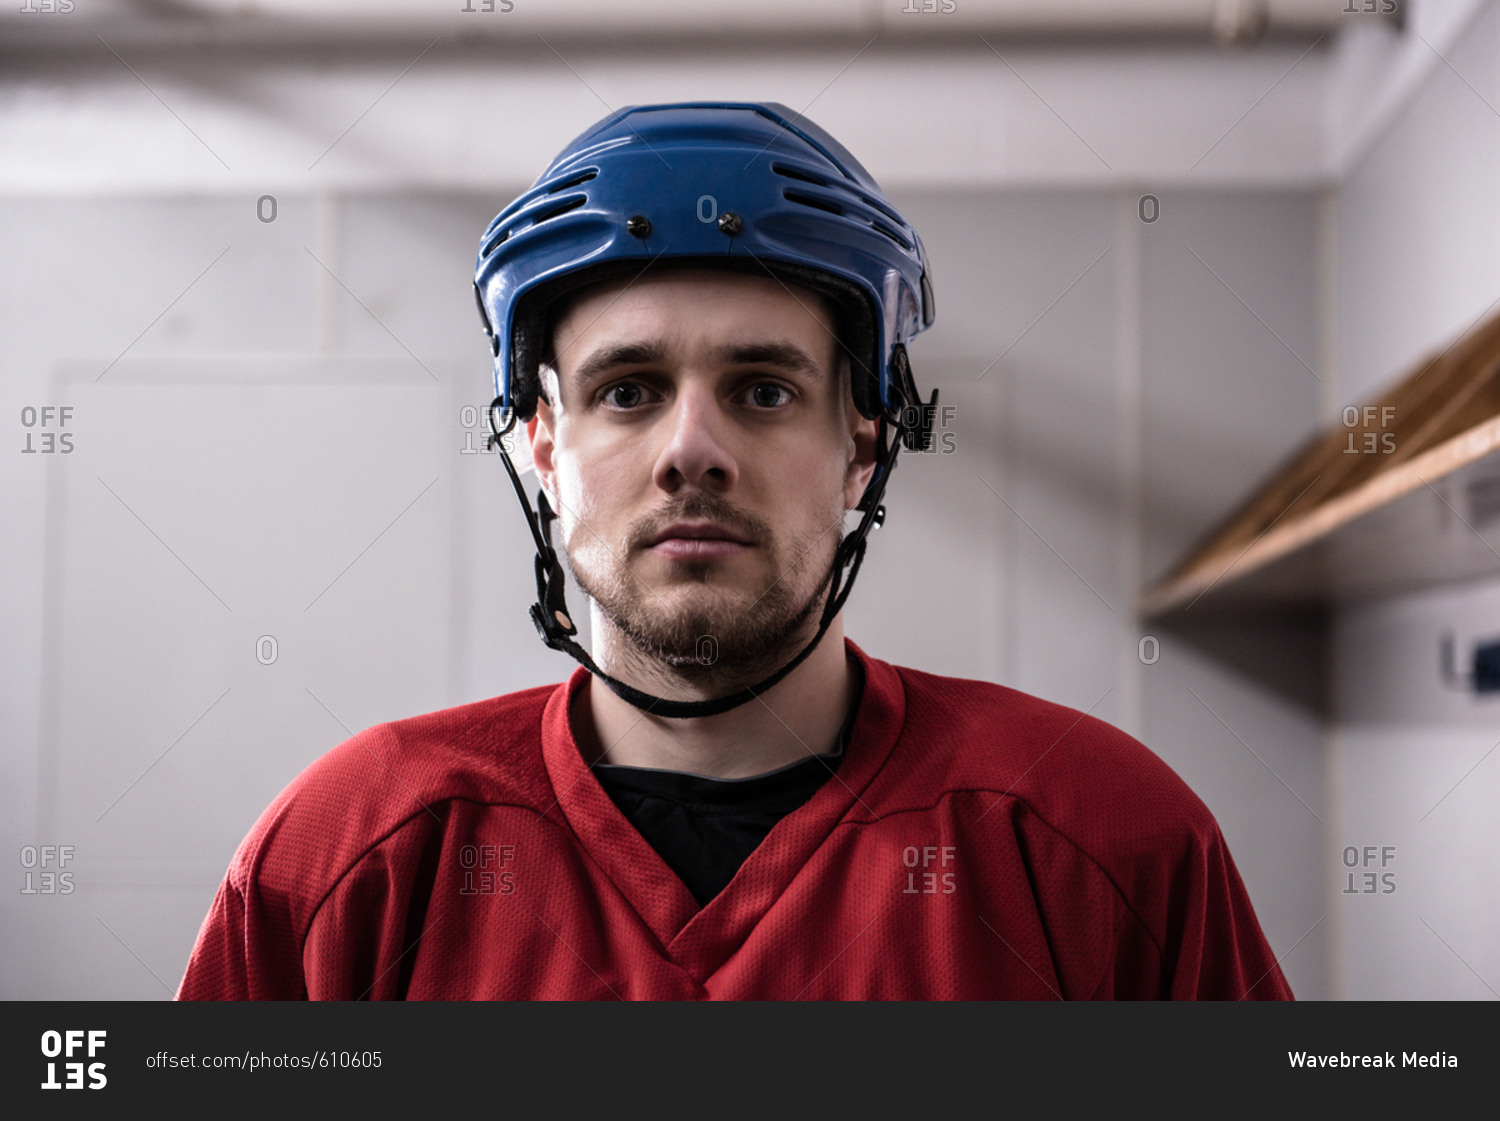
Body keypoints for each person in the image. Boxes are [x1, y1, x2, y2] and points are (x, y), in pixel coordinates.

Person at [177, 102, 1293, 1000]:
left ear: (865, 443)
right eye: (628, 391)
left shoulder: (1104, 837)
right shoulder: (348, 854)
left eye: (763, 389)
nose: (692, 450)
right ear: (545, 447)